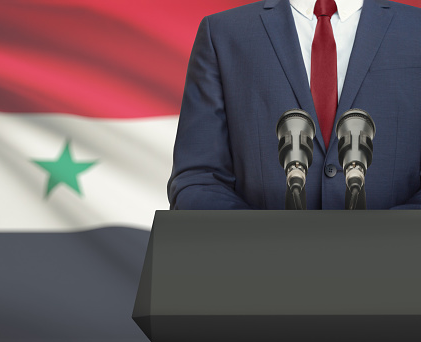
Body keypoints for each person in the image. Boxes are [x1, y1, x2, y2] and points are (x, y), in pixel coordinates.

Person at [168, 0, 421, 210]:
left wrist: (385, 241)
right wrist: (269, 245)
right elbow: (198, 179)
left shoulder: (415, 30)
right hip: (257, 266)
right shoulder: (224, 34)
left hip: (396, 265)